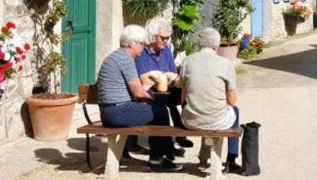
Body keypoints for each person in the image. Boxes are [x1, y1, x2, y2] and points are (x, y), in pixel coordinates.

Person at [96, 24, 182, 172]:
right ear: (132, 44)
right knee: (160, 112)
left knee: (156, 110)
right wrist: (153, 98)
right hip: (118, 112)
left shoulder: (115, 56)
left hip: (108, 112)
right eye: (142, 44)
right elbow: (138, 92)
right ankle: (157, 160)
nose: (143, 49)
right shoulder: (126, 59)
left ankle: (164, 152)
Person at [123, 19, 194, 159]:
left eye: (168, 38)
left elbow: (174, 73)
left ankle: (179, 136)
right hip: (147, 91)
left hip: (164, 89)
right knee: (162, 108)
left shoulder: (166, 50)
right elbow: (143, 79)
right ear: (153, 36)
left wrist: (170, 76)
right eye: (163, 38)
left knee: (185, 97)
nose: (166, 41)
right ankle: (165, 148)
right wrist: (159, 76)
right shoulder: (142, 52)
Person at [178, 27, 242, 173]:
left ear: (199, 44)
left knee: (203, 109)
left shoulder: (187, 61)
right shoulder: (226, 63)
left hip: (191, 121)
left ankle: (203, 157)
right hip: (216, 120)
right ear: (217, 45)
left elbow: (183, 96)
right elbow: (232, 100)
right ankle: (231, 159)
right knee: (235, 110)